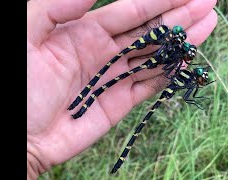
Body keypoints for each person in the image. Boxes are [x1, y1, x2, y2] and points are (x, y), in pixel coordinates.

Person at [27, 0, 217, 179]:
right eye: (180, 37)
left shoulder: (176, 54)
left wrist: (32, 154)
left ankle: (86, 100)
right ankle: (85, 99)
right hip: (146, 52)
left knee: (116, 79)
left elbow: (166, 63)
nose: (182, 41)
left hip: (151, 59)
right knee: (111, 77)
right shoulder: (172, 46)